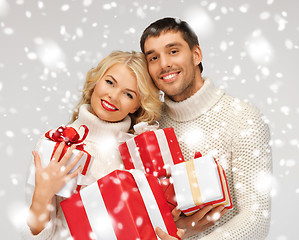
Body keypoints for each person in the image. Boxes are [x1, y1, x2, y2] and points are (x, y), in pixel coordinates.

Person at [21, 50, 180, 239]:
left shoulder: (140, 153)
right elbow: (33, 236)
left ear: (137, 105)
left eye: (128, 94)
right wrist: (42, 196)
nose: (113, 96)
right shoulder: (57, 143)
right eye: (110, 82)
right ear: (96, 81)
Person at [140, 17, 272, 239]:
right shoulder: (150, 124)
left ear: (196, 55)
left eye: (173, 51)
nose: (164, 64)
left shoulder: (242, 118)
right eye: (154, 57)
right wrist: (179, 228)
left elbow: (256, 217)